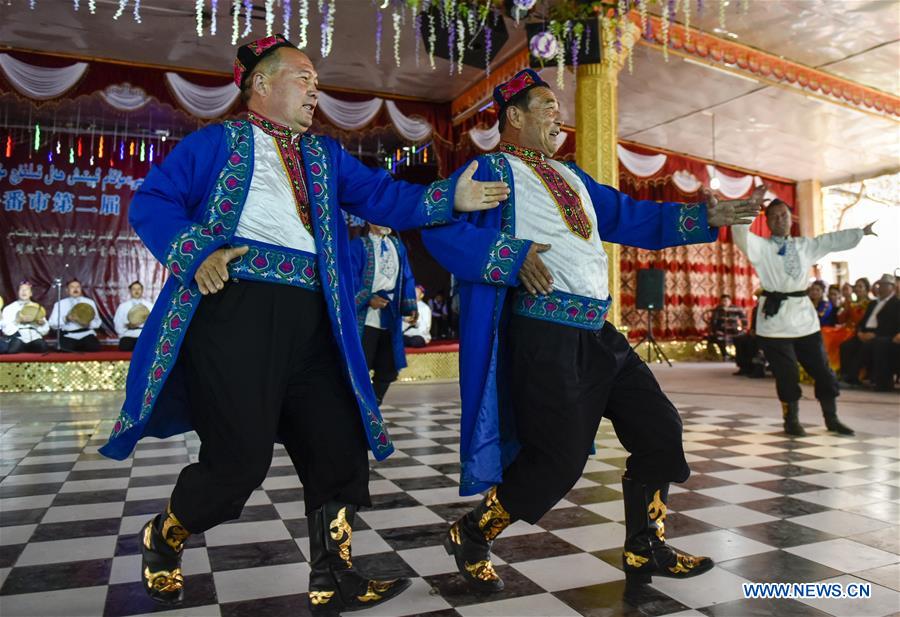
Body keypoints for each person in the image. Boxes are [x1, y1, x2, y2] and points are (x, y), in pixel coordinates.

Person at [96, 35, 507, 614]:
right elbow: (152, 203)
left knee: (338, 444)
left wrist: (449, 197)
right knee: (238, 465)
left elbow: (384, 198)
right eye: (304, 78)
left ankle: (332, 575)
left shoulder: (325, 156)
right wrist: (200, 252)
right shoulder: (217, 144)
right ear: (261, 84)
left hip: (318, 321)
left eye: (317, 81)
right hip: (236, 312)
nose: (316, 90)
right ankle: (165, 534)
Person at [421, 69, 764, 592]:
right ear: (513, 116)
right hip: (543, 335)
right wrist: (507, 256)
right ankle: (472, 532)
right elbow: (441, 226)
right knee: (556, 462)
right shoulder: (491, 170)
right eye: (546, 105)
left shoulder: (575, 178)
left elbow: (634, 217)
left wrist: (706, 214)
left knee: (659, 431)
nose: (557, 113)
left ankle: (644, 546)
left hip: (598, 332)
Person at [732, 199, 875, 436]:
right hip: (775, 324)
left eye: (784, 215)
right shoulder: (761, 247)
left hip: (804, 320)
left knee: (824, 372)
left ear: (791, 219)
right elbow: (741, 235)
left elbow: (829, 241)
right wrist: (747, 210)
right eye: (775, 216)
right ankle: (792, 420)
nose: (781, 220)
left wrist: (861, 232)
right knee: (786, 375)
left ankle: (831, 417)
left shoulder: (804, 246)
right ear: (767, 221)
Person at [351, 223, 417, 405]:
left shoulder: (397, 245)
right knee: (360, 364)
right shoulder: (359, 245)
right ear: (370, 222)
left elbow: (407, 275)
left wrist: (409, 305)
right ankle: (357, 406)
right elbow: (349, 276)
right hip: (366, 317)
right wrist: (368, 298)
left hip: (390, 313)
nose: (385, 223)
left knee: (388, 367)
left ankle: (373, 402)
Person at [839, 273, 900, 391]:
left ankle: (853, 377)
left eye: (883, 285)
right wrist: (860, 332)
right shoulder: (873, 303)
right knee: (846, 346)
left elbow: (893, 326)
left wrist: (875, 334)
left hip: (881, 334)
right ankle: (847, 377)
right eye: (879, 285)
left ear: (891, 287)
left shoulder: (896, 304)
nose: (880, 288)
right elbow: (862, 322)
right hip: (865, 332)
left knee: (871, 345)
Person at [49, 279, 102, 352]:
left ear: (81, 289)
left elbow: (98, 321)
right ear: (67, 290)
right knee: (64, 349)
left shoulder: (89, 302)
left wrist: (88, 323)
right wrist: (66, 319)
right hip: (68, 335)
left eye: (78, 287)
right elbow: (52, 324)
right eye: (72, 287)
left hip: (86, 334)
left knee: (94, 348)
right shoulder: (59, 304)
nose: (75, 289)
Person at [0, 281, 49, 354]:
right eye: (21, 289)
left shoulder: (37, 308)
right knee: (14, 347)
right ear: (17, 292)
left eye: (27, 289)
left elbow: (45, 331)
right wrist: (17, 321)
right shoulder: (9, 308)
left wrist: (40, 324)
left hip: (34, 337)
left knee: (42, 346)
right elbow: (6, 331)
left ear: (31, 293)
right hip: (18, 338)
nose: (24, 291)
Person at [114, 281, 154, 351]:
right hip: (129, 334)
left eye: (139, 289)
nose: (136, 291)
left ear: (142, 290)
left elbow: (155, 323)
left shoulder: (150, 306)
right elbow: (117, 323)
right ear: (130, 291)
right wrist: (127, 326)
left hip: (144, 334)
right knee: (124, 347)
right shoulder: (123, 306)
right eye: (134, 289)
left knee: (149, 349)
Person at [707, 293, 748, 360]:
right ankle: (725, 355)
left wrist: (744, 328)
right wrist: (716, 330)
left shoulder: (735, 308)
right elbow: (713, 321)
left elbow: (743, 319)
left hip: (734, 329)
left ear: (730, 301)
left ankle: (738, 355)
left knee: (741, 338)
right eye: (723, 301)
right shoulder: (718, 309)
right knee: (718, 338)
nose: (724, 302)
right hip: (721, 329)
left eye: (726, 301)